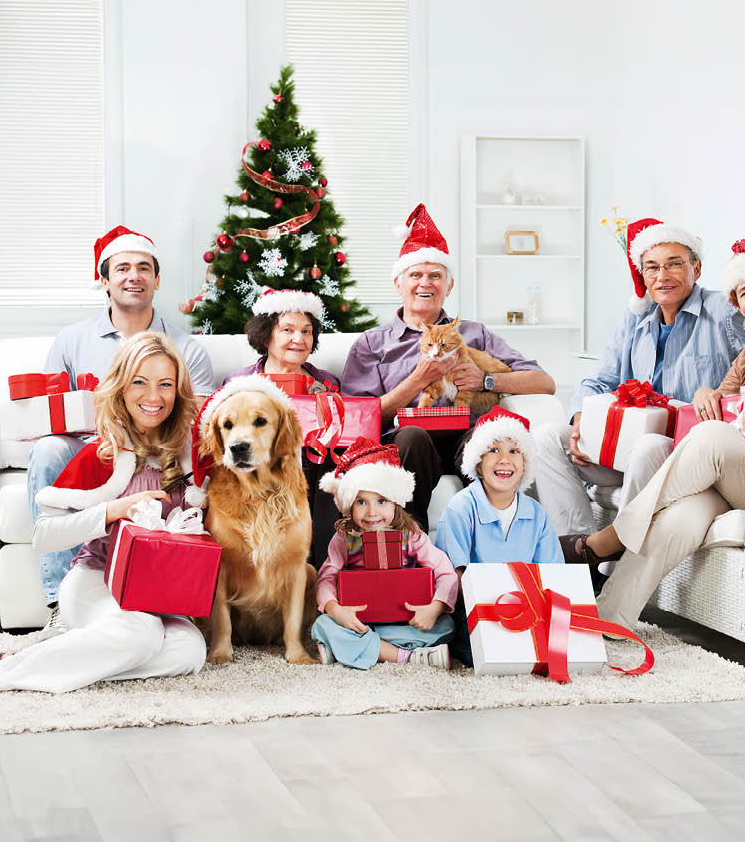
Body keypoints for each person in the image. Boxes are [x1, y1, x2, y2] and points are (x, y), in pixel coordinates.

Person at [569, 234, 745, 629]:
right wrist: (707, 393)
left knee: (710, 438)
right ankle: (609, 618)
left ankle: (612, 537)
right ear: (737, 305)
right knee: (680, 518)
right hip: (739, 482)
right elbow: (720, 398)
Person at [533, 216, 745, 564]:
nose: (662, 276)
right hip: (627, 447)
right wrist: (580, 419)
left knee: (647, 446)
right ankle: (580, 556)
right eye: (652, 268)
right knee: (549, 437)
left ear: (696, 269)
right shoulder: (635, 320)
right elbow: (598, 381)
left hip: (685, 452)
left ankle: (618, 559)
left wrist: (719, 392)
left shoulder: (724, 311)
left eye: (674, 265)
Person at [0, 332, 208, 693]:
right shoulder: (102, 455)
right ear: (122, 388)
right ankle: (7, 673)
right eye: (140, 382)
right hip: (96, 583)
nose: (154, 397)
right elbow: (44, 536)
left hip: (159, 594)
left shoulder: (191, 459)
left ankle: (72, 656)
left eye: (165, 384)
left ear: (178, 392)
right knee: (143, 632)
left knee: (189, 651)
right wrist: (111, 510)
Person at [27, 226, 215, 621]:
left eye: (144, 268)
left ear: (157, 280)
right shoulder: (72, 340)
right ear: (105, 280)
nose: (134, 276)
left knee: (184, 651)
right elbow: (49, 412)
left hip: (157, 451)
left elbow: (195, 421)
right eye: (123, 267)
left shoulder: (186, 348)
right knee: (49, 448)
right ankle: (59, 602)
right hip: (95, 448)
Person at [342, 203, 555, 528]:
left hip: (464, 436)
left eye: (435, 276)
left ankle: (497, 543)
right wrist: (418, 380)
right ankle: (410, 545)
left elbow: (543, 382)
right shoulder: (373, 343)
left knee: (489, 437)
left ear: (449, 286)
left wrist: (487, 381)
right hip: (407, 442)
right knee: (412, 436)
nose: (425, 283)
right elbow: (356, 419)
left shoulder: (473, 333)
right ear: (398, 283)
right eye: (415, 274)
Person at [311, 438, 459, 669]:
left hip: (401, 622)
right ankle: (406, 656)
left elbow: (446, 572)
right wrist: (336, 610)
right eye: (361, 502)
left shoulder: (411, 535)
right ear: (350, 505)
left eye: (381, 501)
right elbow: (326, 578)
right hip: (360, 621)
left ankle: (354, 649)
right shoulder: (344, 538)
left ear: (395, 504)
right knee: (323, 624)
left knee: (446, 625)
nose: (372, 512)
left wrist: (434, 608)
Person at [221, 287, 341, 567]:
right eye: (287, 330)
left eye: (307, 331)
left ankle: (323, 571)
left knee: (324, 464)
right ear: (266, 334)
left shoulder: (327, 383)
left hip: (315, 468)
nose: (298, 339)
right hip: (259, 467)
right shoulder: (239, 384)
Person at [436, 407, 563, 665]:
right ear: (477, 463)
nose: (505, 459)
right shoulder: (461, 509)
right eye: (494, 450)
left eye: (514, 451)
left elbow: (552, 574)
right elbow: (454, 579)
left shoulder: (536, 514)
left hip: (527, 611)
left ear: (525, 463)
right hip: (476, 613)